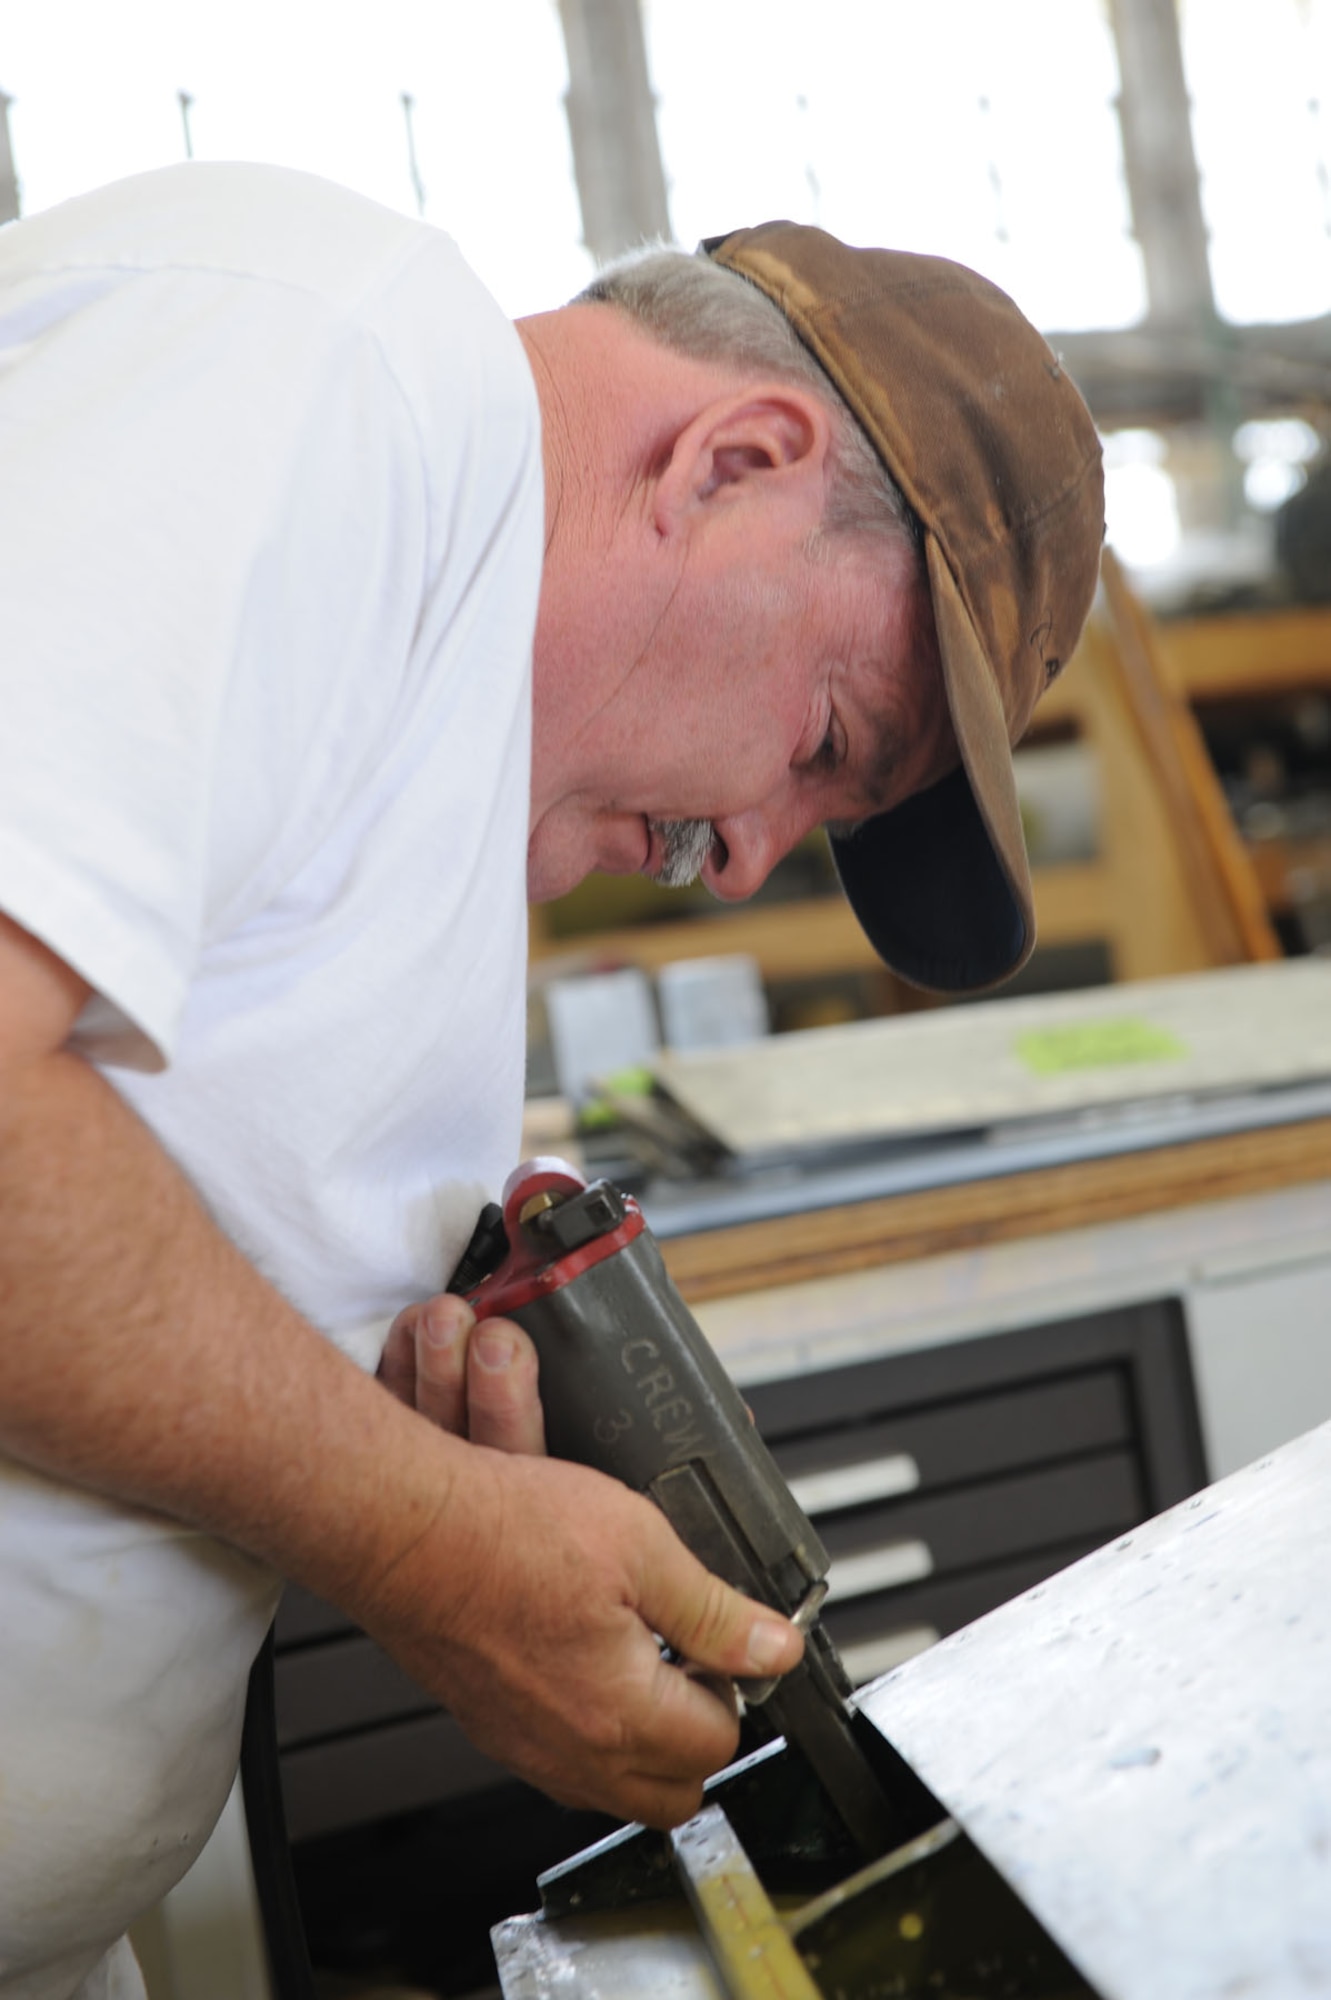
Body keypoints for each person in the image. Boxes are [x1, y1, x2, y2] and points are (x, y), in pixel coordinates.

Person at [0, 160, 1103, 1996]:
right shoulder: (327, 355)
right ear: (731, 463)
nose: (751, 861)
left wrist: (413, 1449)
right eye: (830, 744)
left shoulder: (445, 763)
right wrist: (418, 1532)